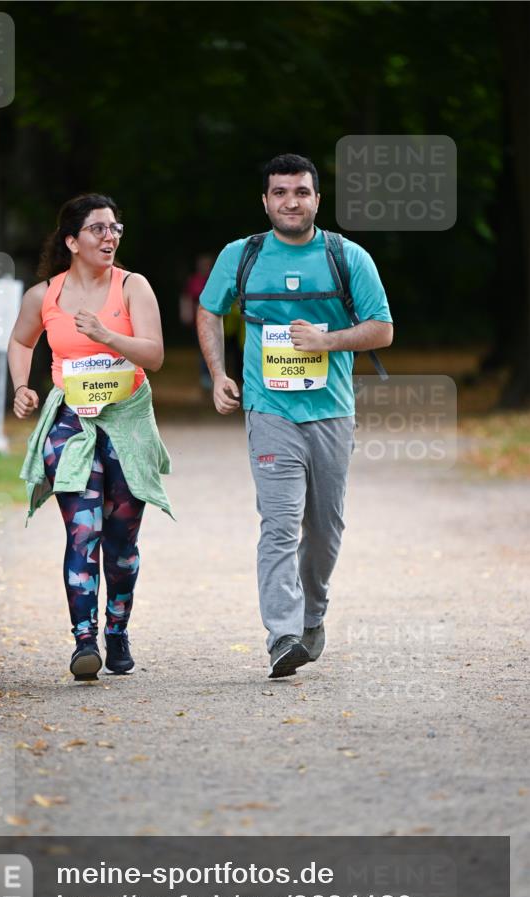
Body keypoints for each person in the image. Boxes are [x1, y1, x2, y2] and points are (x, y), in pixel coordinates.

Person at [197, 153, 393, 680]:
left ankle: (312, 613)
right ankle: (282, 634)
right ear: (264, 201)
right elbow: (209, 310)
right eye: (280, 192)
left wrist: (328, 340)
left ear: (317, 200)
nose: (291, 201)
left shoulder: (346, 257)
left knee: (324, 527)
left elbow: (382, 328)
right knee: (280, 522)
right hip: (269, 409)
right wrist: (219, 373)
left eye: (301, 192)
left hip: (331, 410)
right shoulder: (241, 256)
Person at [8, 193, 172, 681]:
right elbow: (21, 341)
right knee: (83, 533)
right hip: (71, 423)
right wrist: (22, 386)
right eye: (99, 229)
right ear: (72, 241)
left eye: (115, 228)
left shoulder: (132, 286)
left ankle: (117, 631)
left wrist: (107, 336)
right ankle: (85, 641)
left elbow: (155, 355)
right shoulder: (44, 295)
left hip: (127, 422)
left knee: (121, 543)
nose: (110, 236)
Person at [180, 253, 214, 391]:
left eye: (207, 264)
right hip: (198, 320)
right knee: (203, 348)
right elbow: (186, 297)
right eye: (202, 264)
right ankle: (206, 376)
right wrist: (186, 313)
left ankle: (212, 374)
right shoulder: (193, 280)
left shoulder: (214, 279)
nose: (205, 267)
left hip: (213, 320)